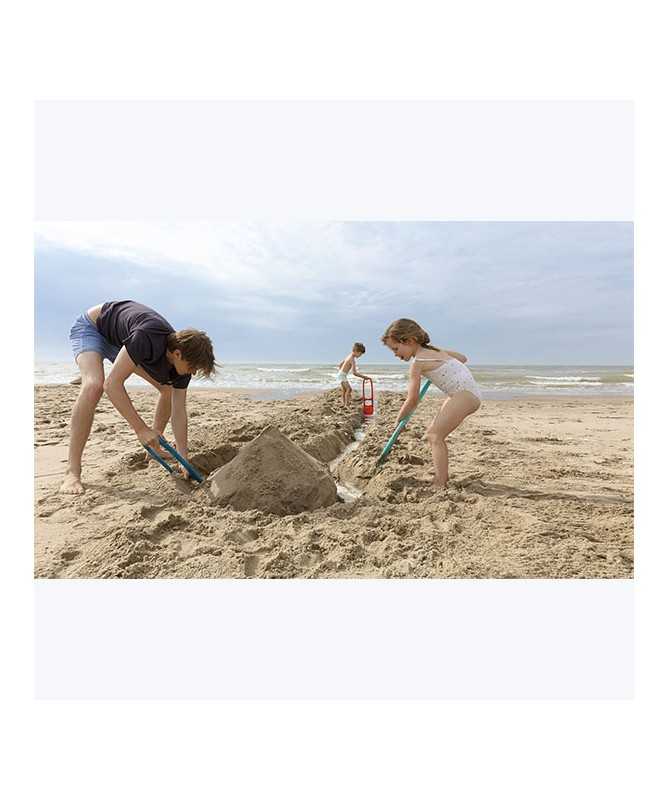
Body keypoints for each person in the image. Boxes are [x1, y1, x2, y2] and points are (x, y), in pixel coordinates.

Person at [60, 300, 216, 494]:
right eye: (193, 368)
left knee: (167, 390)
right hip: (94, 328)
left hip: (123, 341)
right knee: (94, 385)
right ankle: (72, 471)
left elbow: (179, 411)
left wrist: (183, 457)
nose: (192, 373)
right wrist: (141, 429)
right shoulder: (147, 336)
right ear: (177, 353)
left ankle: (154, 447)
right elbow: (112, 385)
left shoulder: (180, 367)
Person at [381, 318, 481, 487]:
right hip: (465, 393)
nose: (396, 354)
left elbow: (412, 400)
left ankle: (440, 482)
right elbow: (463, 358)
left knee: (436, 436)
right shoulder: (434, 351)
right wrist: (440, 358)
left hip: (463, 395)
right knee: (431, 433)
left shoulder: (418, 363)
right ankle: (440, 477)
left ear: (409, 340)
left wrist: (398, 420)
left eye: (396, 349)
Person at [336, 342, 370, 407]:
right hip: (342, 375)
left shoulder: (349, 356)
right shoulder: (352, 360)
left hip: (341, 374)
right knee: (349, 389)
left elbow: (340, 365)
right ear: (355, 351)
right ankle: (346, 404)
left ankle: (344, 403)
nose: (360, 356)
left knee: (344, 390)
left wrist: (342, 371)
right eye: (360, 354)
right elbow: (354, 373)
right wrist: (364, 377)